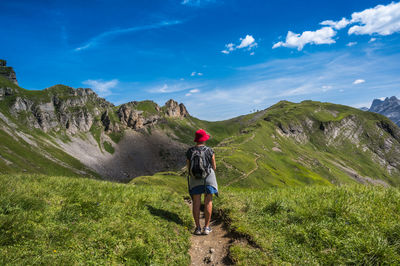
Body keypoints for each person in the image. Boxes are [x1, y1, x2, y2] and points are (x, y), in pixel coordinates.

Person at [186, 129, 218, 235]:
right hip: (208, 178)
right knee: (208, 201)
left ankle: (198, 228)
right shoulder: (210, 150)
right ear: (204, 140)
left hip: (195, 179)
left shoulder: (190, 151)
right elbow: (214, 166)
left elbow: (188, 168)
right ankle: (207, 227)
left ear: (196, 140)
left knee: (196, 202)